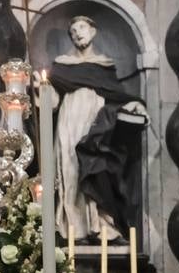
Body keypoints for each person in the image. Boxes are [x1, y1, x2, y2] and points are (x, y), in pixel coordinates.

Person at [47, 14, 147, 242]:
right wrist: (40, 87)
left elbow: (116, 95)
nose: (77, 33)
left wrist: (133, 103)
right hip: (69, 120)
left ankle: (102, 225)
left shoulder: (104, 66)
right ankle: (74, 228)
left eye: (81, 28)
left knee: (97, 167)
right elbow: (51, 102)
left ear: (93, 31)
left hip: (97, 122)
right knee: (70, 171)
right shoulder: (62, 65)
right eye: (73, 31)